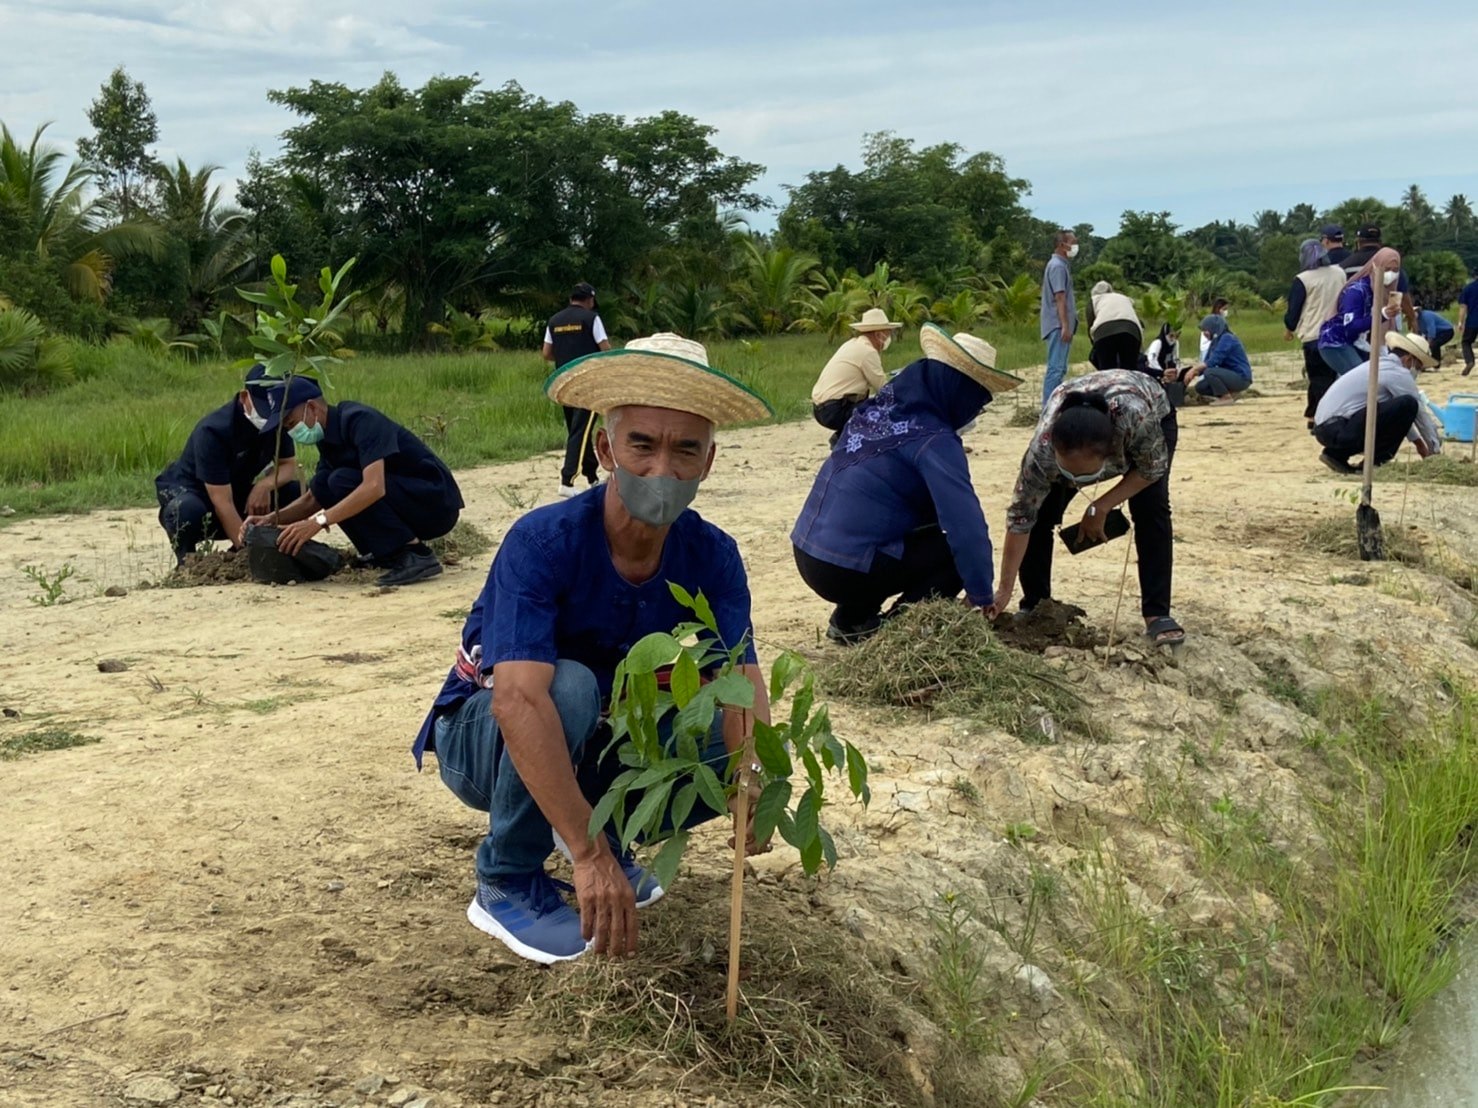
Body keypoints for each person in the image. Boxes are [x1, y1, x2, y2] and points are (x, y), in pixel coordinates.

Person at [412, 334, 774, 964]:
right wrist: (588, 857)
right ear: (606, 448)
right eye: (643, 444)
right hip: (484, 746)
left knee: (720, 739)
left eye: (686, 449)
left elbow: (740, 676)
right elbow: (517, 701)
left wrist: (755, 784)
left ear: (709, 462)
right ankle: (510, 876)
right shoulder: (544, 541)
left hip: (596, 738)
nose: (663, 470)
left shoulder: (712, 554)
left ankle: (615, 835)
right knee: (568, 686)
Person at [791, 324, 1023, 644]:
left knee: (904, 528)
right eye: (977, 400)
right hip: (844, 567)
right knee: (951, 554)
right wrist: (981, 596)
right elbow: (966, 528)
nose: (977, 410)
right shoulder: (934, 440)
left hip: (807, 549)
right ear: (959, 391)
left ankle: (852, 619)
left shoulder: (875, 409)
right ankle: (898, 636)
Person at [993, 369, 1183, 647]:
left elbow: (1150, 470)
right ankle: (1035, 605)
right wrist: (1003, 589)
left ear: (1113, 455)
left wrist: (1101, 506)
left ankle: (1157, 614)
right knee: (1042, 513)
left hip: (1150, 406)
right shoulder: (1041, 452)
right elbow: (1021, 518)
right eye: (1066, 474)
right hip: (1082, 419)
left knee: (1150, 507)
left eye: (1082, 477)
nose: (1073, 482)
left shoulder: (1135, 422)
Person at [245, 377, 464, 587]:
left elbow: (374, 487)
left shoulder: (361, 420)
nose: (292, 432)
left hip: (435, 504)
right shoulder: (328, 438)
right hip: (405, 502)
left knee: (342, 480)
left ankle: (414, 553)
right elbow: (313, 498)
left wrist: (318, 522)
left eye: (291, 423)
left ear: (312, 408)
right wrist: (271, 519)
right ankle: (382, 554)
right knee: (322, 482)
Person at [155, 365, 301, 563]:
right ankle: (189, 563)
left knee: (295, 493)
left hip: (237, 491)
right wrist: (247, 555)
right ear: (244, 397)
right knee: (185, 510)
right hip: (199, 497)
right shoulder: (213, 431)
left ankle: (265, 548)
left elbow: (287, 465)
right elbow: (222, 501)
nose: (268, 419)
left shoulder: (277, 422)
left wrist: (264, 485)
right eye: (263, 411)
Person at [1313, 332, 1441, 474]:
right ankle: (1375, 462)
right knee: (1409, 403)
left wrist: (1418, 443)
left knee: (1402, 406)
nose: (1417, 372)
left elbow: (1399, 417)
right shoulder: (1398, 373)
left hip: (1327, 429)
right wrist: (1434, 450)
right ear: (1409, 359)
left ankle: (1336, 455)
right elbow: (1417, 412)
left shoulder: (1377, 365)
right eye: (1418, 367)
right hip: (1340, 428)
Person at [543, 282, 613, 498]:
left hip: (564, 383)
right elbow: (605, 349)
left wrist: (566, 356)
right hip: (587, 384)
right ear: (590, 300)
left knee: (577, 432)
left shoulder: (554, 321)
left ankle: (592, 478)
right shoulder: (591, 319)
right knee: (581, 432)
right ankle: (567, 480)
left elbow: (546, 353)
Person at [809, 308, 903, 441]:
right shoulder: (868, 352)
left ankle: (842, 436)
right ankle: (841, 440)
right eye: (887, 333)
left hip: (820, 408)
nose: (888, 338)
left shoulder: (852, 344)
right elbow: (884, 389)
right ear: (878, 334)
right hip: (834, 410)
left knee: (865, 402)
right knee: (880, 412)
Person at [1284, 238, 1348, 425]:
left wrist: (1289, 327)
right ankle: (1319, 414)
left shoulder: (1303, 279)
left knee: (1318, 378)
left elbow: (1294, 311)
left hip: (1314, 334)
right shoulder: (1339, 273)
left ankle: (1320, 416)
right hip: (1339, 332)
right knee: (1333, 376)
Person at [1318, 246, 1404, 377]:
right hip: (1335, 342)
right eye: (1386, 270)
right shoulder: (1357, 292)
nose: (1391, 274)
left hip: (1356, 342)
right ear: (1376, 267)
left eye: (1395, 270)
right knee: (1362, 378)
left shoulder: (1381, 291)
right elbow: (1351, 326)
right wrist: (1383, 315)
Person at [1340, 225, 1416, 329]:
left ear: (1358, 242)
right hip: (1386, 321)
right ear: (1380, 242)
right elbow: (1402, 293)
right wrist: (1411, 317)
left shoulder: (1346, 265)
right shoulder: (1390, 261)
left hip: (1357, 321)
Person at [1040, 230, 1079, 404]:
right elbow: (1060, 297)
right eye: (1073, 242)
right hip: (1057, 324)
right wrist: (1065, 325)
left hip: (1060, 324)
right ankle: (1048, 407)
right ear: (1062, 245)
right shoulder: (1057, 266)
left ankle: (1054, 404)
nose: (1076, 246)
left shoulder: (1062, 265)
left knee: (1060, 368)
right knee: (1055, 369)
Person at [1183, 315, 1253, 403]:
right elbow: (1206, 362)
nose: (1204, 333)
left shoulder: (1227, 338)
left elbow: (1213, 361)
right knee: (1200, 387)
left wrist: (1194, 369)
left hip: (1241, 377)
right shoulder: (1215, 342)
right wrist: (1191, 373)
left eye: (1206, 330)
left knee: (1210, 372)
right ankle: (1231, 394)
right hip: (1229, 375)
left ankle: (1226, 397)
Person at [1086, 281, 1143, 371]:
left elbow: (1090, 323)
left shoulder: (1094, 300)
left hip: (1104, 331)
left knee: (1107, 371)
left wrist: (1095, 346)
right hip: (1131, 330)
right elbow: (1132, 316)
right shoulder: (1124, 298)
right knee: (1129, 370)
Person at [1457, 272, 1478, 375]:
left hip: (1472, 321)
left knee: (1466, 342)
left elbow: (1463, 307)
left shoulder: (1468, 288)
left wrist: (1460, 322)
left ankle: (1470, 361)